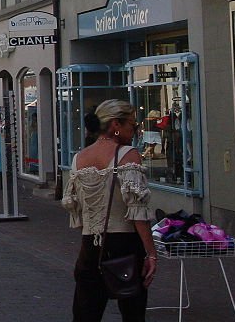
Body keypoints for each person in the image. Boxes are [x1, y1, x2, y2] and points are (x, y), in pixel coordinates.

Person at [62, 99, 157, 322]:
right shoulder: (127, 154)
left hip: (90, 247)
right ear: (116, 124)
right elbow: (137, 211)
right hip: (124, 244)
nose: (134, 130)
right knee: (132, 312)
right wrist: (151, 253)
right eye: (131, 125)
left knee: (86, 314)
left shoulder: (78, 158)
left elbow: (77, 210)